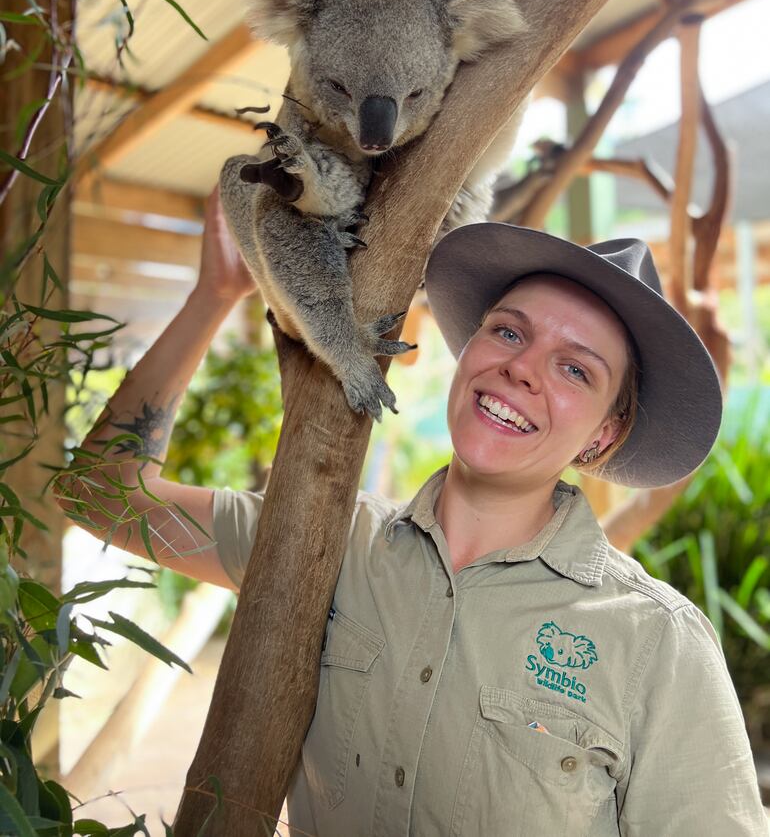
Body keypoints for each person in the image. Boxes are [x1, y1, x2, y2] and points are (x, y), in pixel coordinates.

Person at [56, 186, 768, 837]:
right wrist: (213, 295)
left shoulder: (657, 644)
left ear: (605, 434)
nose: (521, 367)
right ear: (470, 349)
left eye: (575, 368)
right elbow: (99, 490)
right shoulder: (328, 542)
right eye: (510, 332)